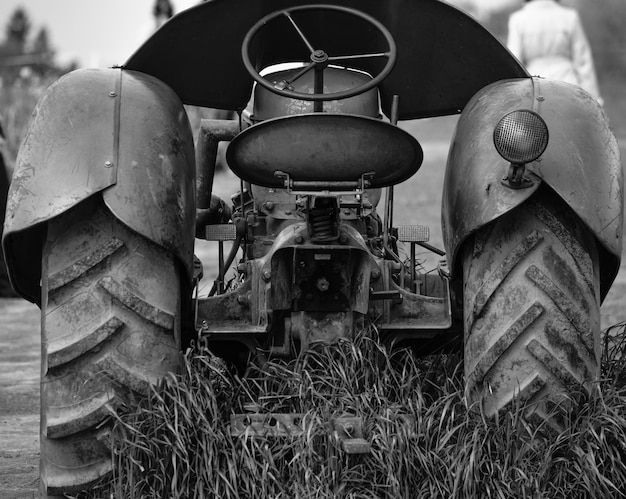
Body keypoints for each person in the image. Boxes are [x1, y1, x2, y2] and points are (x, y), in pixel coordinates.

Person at [507, 0, 603, 104]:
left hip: (535, 87)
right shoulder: (569, 16)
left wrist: (512, 99)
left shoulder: (518, 19)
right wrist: (594, 98)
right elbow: (583, 62)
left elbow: (513, 61)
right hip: (568, 83)